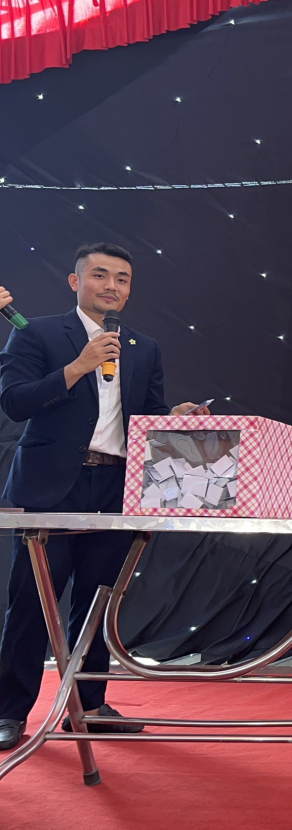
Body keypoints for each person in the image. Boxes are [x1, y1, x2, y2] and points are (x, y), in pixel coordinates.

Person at [0, 244, 208, 752]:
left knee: (97, 603)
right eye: (99, 275)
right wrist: (77, 366)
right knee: (32, 602)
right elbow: (15, 401)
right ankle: (8, 712)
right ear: (76, 282)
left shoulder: (143, 346)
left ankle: (89, 706)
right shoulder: (37, 333)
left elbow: (145, 418)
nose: (111, 285)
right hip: (50, 488)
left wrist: (173, 418)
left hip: (116, 487)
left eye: (122, 278)